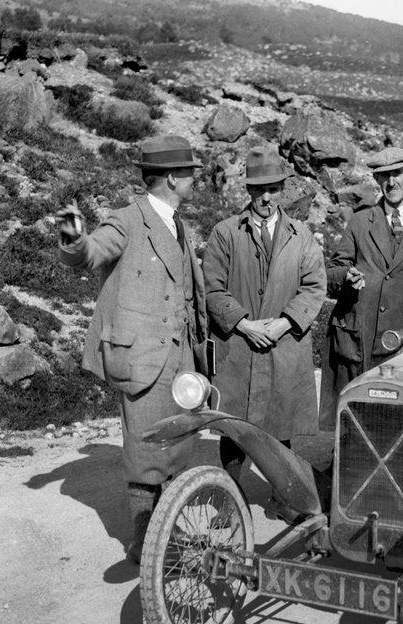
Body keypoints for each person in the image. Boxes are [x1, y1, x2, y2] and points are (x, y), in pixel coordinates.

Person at [53, 134, 207, 564]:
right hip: (143, 357)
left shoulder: (177, 222)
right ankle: (143, 538)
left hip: (179, 356)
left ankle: (167, 526)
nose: (195, 179)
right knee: (144, 443)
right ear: (173, 178)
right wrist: (70, 233)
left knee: (176, 440)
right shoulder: (127, 219)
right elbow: (88, 252)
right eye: (190, 173)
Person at [201, 146, 327, 484]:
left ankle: (281, 496)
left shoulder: (301, 236)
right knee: (233, 429)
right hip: (239, 347)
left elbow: (314, 288)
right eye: (259, 190)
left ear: (283, 190)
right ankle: (231, 497)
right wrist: (244, 324)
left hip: (284, 345)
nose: (267, 198)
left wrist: (284, 322)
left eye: (273, 189)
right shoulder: (225, 233)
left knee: (280, 427)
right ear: (249, 191)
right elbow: (211, 288)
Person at [323, 147, 403, 409]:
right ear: (376, 180)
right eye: (384, 176)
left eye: (397, 174)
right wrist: (345, 276)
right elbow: (331, 273)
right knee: (359, 412)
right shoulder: (360, 222)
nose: (391, 182)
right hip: (365, 338)